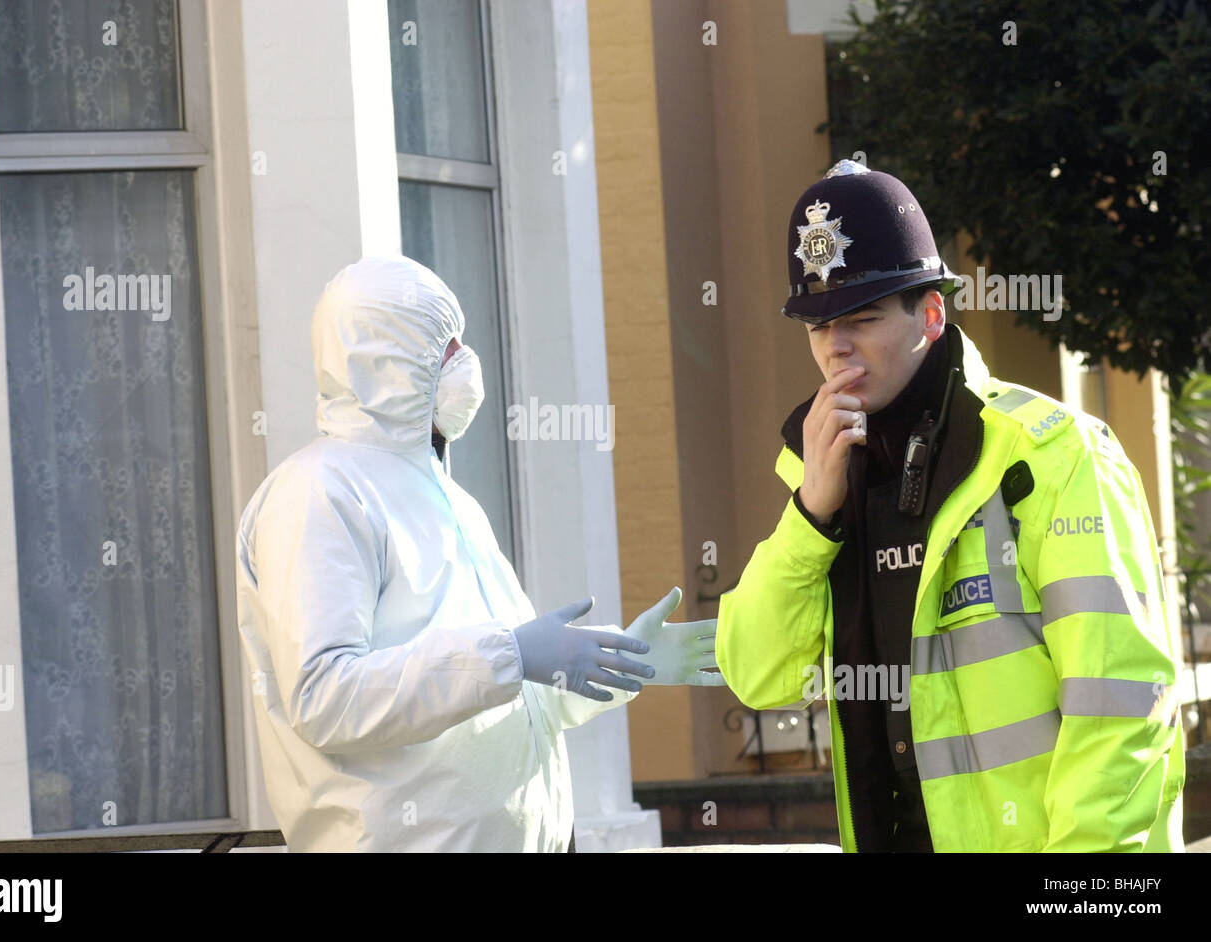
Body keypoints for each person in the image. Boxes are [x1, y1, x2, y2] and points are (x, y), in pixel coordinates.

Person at [716, 160, 1186, 852]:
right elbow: (759, 676)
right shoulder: (830, 475)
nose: (836, 347)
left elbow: (1121, 709)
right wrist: (812, 515)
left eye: (863, 317)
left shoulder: (1051, 457)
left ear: (930, 314)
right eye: (817, 326)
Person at [235, 255, 723, 852]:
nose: (463, 359)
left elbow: (491, 698)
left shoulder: (447, 497)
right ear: (388, 361)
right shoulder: (319, 493)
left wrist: (614, 663)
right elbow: (324, 696)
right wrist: (511, 654)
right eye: (444, 345)